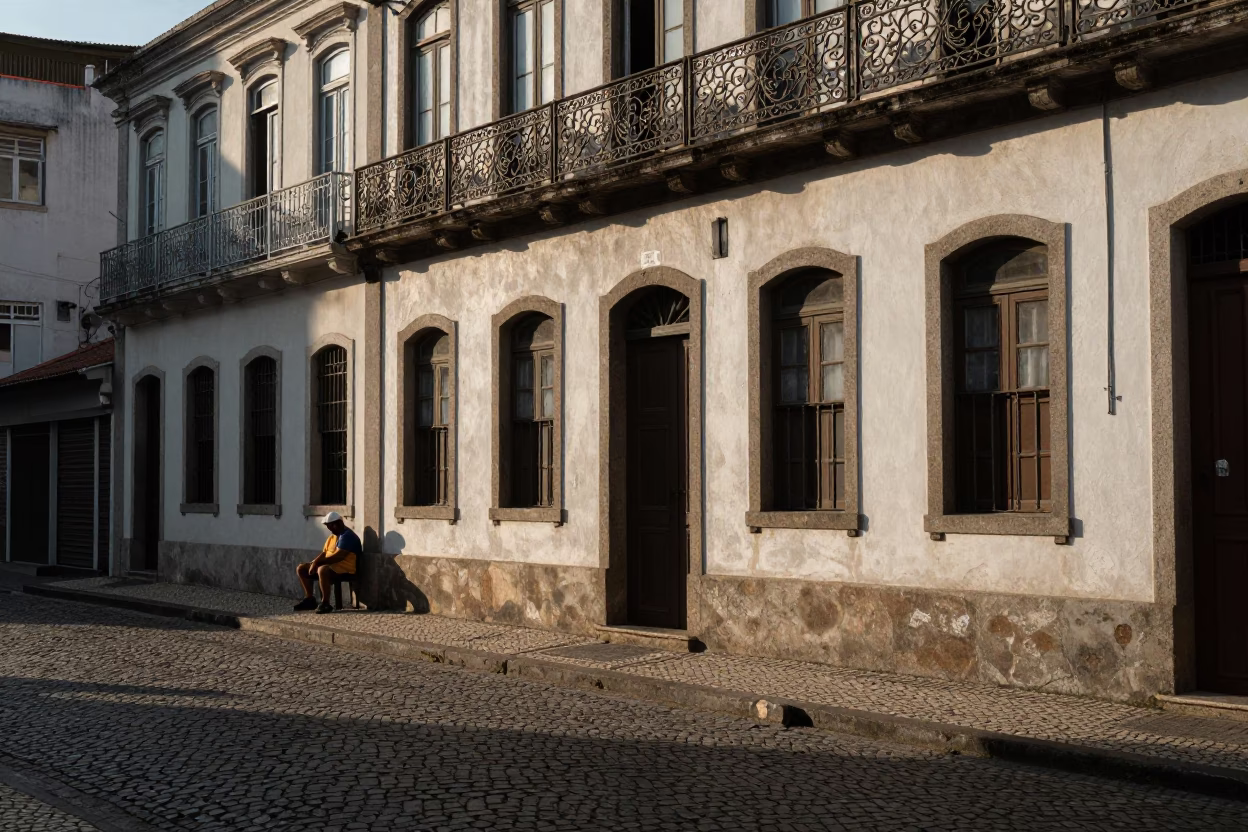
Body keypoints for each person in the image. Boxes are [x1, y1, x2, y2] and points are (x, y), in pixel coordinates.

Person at [294, 511, 361, 614]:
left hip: (345, 568)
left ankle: (325, 603)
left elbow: (338, 557)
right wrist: (314, 562)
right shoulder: (333, 537)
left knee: (322, 569)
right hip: (332, 567)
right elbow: (325, 553)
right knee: (301, 568)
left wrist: (317, 564)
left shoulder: (347, 536)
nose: (330, 529)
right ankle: (309, 598)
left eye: (330, 526)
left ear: (337, 524)